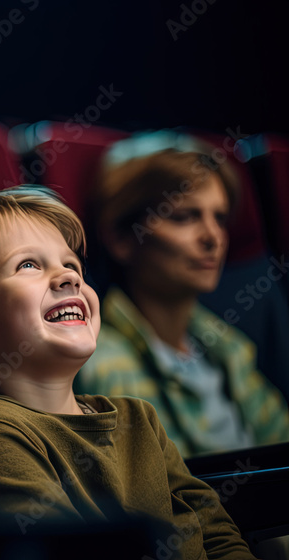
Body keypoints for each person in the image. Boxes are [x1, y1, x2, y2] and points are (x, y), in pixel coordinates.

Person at [0, 186, 257, 558]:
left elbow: (217, 533)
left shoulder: (139, 418)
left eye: (72, 265)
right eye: (28, 264)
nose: (68, 278)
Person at [75, 148, 289, 457]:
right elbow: (171, 496)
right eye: (184, 216)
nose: (213, 237)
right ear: (120, 238)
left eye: (220, 217)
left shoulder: (229, 347)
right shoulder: (104, 363)